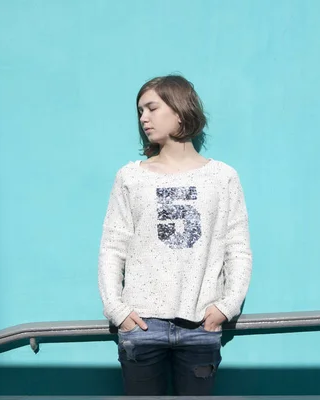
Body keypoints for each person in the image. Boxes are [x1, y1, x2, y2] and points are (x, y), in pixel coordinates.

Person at [98, 74, 252, 396]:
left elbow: (237, 248)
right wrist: (117, 310)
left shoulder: (222, 178)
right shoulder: (130, 177)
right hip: (141, 325)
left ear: (180, 111)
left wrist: (227, 306)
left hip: (200, 326)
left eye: (152, 108)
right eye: (140, 111)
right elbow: (113, 247)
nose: (144, 118)